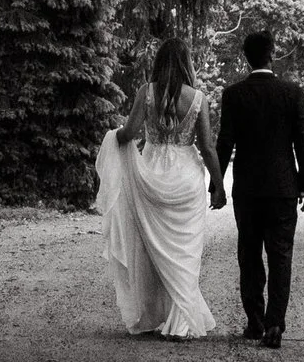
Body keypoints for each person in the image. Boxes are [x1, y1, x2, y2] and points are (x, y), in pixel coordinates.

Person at [92, 34, 221, 339]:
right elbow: (207, 146)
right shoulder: (198, 99)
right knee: (187, 250)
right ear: (186, 64)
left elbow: (129, 134)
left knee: (150, 249)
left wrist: (113, 139)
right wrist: (219, 184)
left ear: (160, 63)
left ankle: (153, 315)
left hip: (150, 174)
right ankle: (182, 321)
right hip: (186, 178)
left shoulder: (146, 93)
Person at [212, 27, 304, 347]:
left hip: (248, 190)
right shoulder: (291, 92)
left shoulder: (234, 95)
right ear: (272, 53)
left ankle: (255, 321)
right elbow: (302, 143)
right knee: (281, 256)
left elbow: (224, 143)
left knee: (250, 255)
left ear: (246, 57)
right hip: (284, 188)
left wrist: (217, 185)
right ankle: (275, 324)